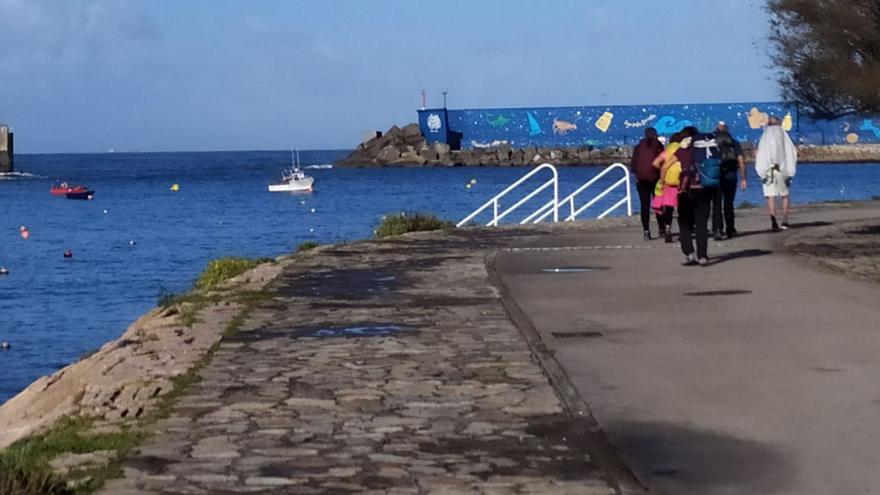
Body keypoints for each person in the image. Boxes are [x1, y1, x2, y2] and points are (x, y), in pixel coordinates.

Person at [677, 127, 717, 266]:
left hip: (687, 190)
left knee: (684, 222)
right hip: (705, 188)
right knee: (701, 224)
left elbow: (674, 164)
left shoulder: (685, 150)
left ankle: (689, 252)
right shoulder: (707, 150)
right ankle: (703, 256)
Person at [755, 115, 797, 232]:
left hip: (769, 169)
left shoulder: (765, 136)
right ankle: (785, 220)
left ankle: (773, 220)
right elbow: (790, 152)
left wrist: (761, 171)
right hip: (783, 169)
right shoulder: (784, 135)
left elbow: (761, 154)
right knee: (785, 195)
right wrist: (790, 170)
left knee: (770, 196)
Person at [711, 122, 748, 239]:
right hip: (731, 175)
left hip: (716, 176)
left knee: (716, 203)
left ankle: (717, 229)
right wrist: (743, 178)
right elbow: (741, 160)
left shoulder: (713, 143)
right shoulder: (734, 142)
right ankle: (730, 229)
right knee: (728, 203)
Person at [630, 127, 665, 240]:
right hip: (656, 179)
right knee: (658, 204)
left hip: (641, 180)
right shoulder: (659, 146)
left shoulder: (638, 147)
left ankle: (646, 231)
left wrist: (637, 175)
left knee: (644, 206)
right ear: (655, 135)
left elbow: (634, 165)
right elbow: (664, 161)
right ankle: (661, 228)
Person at [651, 133, 683, 243]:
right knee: (683, 208)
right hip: (682, 182)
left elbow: (655, 163)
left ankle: (667, 229)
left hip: (668, 182)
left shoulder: (667, 151)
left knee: (669, 208)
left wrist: (662, 172)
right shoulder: (683, 151)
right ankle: (684, 230)